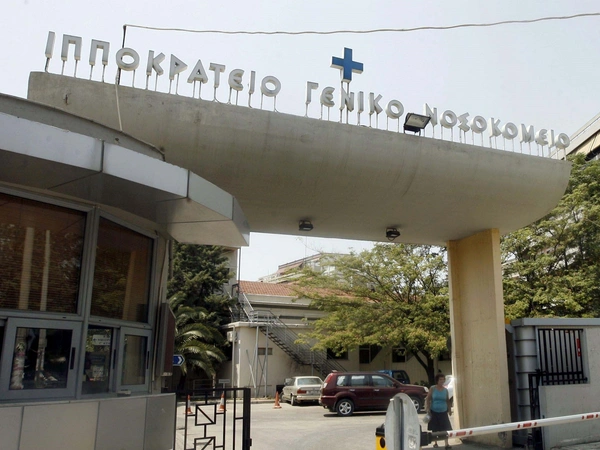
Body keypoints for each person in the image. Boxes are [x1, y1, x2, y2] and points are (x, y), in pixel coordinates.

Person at [425, 373, 453, 449]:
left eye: (443, 379)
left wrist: (449, 410)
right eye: (440, 379)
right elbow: (428, 398)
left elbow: (447, 400)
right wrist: (428, 408)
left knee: (445, 428)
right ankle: (435, 443)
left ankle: (446, 444)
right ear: (437, 380)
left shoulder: (445, 390)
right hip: (434, 411)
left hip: (443, 411)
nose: (442, 381)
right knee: (435, 428)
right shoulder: (433, 388)